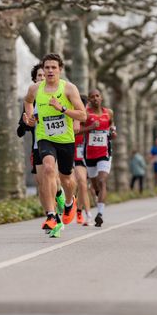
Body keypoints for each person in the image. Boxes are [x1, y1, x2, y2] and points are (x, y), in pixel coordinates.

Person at [23, 53, 87, 238]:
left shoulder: (69, 89)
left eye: (53, 67)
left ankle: (69, 202)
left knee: (67, 179)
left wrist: (63, 109)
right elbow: (27, 101)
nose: (50, 71)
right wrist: (30, 117)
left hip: (65, 139)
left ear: (60, 70)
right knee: (49, 169)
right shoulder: (35, 89)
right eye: (47, 67)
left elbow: (83, 116)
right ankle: (51, 215)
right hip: (45, 137)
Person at [17, 64, 66, 219]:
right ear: (34, 79)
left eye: (44, 75)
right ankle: (50, 215)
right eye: (39, 76)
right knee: (41, 182)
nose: (42, 78)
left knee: (52, 175)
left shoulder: (57, 96)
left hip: (56, 142)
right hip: (38, 145)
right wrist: (27, 122)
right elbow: (21, 130)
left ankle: (59, 195)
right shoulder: (30, 101)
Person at [82, 89, 116, 227]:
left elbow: (111, 126)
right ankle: (98, 195)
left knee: (102, 181)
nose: (95, 98)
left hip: (105, 153)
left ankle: (100, 214)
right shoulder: (86, 114)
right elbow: (76, 130)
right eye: (92, 97)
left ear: (101, 98)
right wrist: (90, 127)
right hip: (89, 154)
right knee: (95, 184)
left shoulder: (109, 112)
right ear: (89, 100)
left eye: (97, 96)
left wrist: (113, 133)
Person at [73, 95, 92, 226]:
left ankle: (80, 211)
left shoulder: (90, 118)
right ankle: (87, 214)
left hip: (86, 156)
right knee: (78, 184)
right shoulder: (71, 116)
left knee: (83, 185)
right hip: (71, 155)